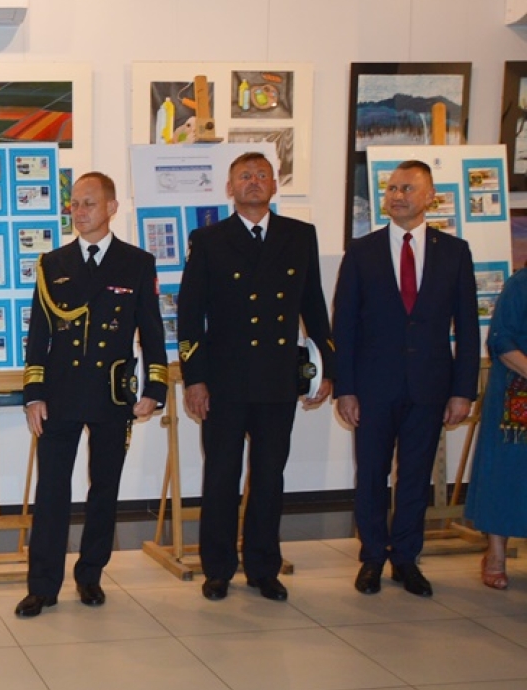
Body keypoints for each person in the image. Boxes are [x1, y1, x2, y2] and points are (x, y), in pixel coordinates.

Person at [177, 151, 335, 601]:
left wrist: (326, 367)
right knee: (221, 477)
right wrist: (194, 379)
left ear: (274, 185)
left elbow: (313, 307)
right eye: (244, 176)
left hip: (276, 379)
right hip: (223, 382)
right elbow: (190, 315)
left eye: (262, 175)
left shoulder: (299, 236)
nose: (254, 181)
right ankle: (218, 569)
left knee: (269, 477)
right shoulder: (208, 240)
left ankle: (264, 567)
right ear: (230, 188)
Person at [15, 172, 168, 616]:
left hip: (112, 393)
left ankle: (90, 575)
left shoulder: (137, 263)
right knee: (51, 491)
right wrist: (33, 393)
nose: (79, 212)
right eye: (75, 205)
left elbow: (152, 331)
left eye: (89, 203)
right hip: (60, 393)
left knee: (104, 488)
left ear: (112, 208)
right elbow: (39, 334)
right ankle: (43, 585)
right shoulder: (53, 263)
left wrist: (154, 386)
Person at [333, 160, 480, 598]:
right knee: (372, 473)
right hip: (373, 386)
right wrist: (345, 388)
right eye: (392, 188)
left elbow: (467, 327)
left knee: (415, 476)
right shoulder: (362, 251)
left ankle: (406, 559)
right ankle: (372, 558)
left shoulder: (454, 252)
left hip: (430, 385)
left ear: (430, 196)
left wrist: (462, 390)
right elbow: (345, 325)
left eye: (408, 188)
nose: (397, 195)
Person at [465, 264, 527, 590]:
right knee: (505, 476)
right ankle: (496, 556)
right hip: (515, 401)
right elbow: (501, 341)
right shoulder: (520, 285)